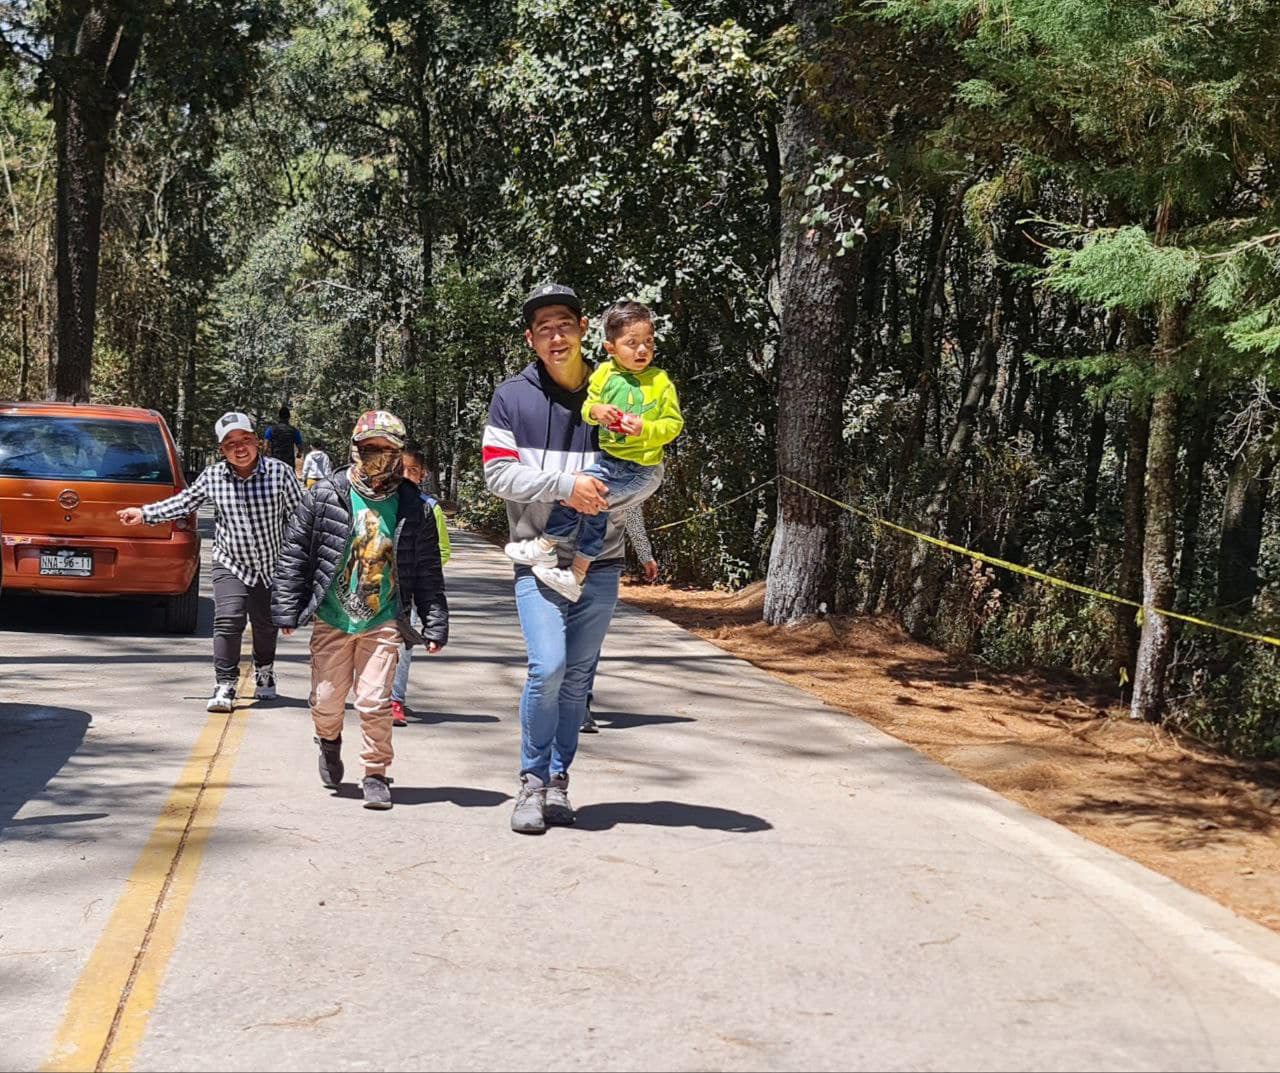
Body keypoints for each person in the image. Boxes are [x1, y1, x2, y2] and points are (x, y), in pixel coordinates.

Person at [483, 282, 656, 834]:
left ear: (584, 330)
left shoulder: (617, 388)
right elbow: (497, 474)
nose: (556, 336)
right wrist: (565, 486)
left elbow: (647, 466)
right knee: (549, 667)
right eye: (544, 328)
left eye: (565, 324)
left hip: (601, 563)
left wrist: (619, 487)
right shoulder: (513, 397)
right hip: (540, 562)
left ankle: (559, 783)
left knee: (578, 681)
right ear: (532, 339)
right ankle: (531, 782)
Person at [272, 410, 448, 810]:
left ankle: (375, 772)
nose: (378, 458)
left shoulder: (413, 507)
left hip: (382, 619)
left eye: (388, 451)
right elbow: (296, 552)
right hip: (332, 617)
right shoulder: (324, 496)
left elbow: (427, 570)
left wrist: (434, 621)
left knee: (373, 701)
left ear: (401, 454)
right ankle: (329, 742)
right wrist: (286, 608)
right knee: (327, 702)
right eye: (370, 449)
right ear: (354, 450)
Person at [118, 412, 302, 712]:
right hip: (231, 561)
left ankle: (265, 670)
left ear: (256, 442)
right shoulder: (214, 476)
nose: (239, 448)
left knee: (265, 624)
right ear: (221, 450)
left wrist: (301, 562)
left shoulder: (280, 473)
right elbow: (184, 501)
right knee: (228, 618)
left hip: (272, 564)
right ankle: (225, 682)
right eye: (230, 444)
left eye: (245, 440)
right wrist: (144, 513)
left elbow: (300, 516)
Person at [505, 300, 682, 603]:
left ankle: (557, 555)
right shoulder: (602, 376)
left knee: (588, 500)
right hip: (611, 462)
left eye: (648, 343)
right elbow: (588, 409)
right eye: (632, 343)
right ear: (610, 347)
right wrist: (598, 411)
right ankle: (563, 565)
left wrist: (644, 429)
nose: (642, 350)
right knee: (578, 491)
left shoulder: (660, 382)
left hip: (641, 468)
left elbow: (673, 425)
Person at [580, 505, 657, 734]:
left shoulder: (621, 471)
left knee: (589, 638)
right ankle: (557, 696)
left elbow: (633, 513)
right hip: (560, 559)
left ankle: (580, 702)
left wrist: (646, 556)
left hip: (605, 561)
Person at [390, 444, 452, 727]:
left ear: (423, 474)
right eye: (401, 468)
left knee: (403, 647)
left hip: (411, 590)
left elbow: (441, 551)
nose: (406, 474)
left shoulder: (429, 508)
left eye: (413, 470)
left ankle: (395, 699)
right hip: (378, 589)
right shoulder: (383, 501)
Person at [264, 405, 303, 470]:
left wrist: (264, 457)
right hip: (289, 463)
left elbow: (265, 446)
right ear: (289, 417)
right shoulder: (294, 431)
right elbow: (300, 447)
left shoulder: (270, 429)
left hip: (275, 463)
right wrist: (299, 454)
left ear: (279, 417)